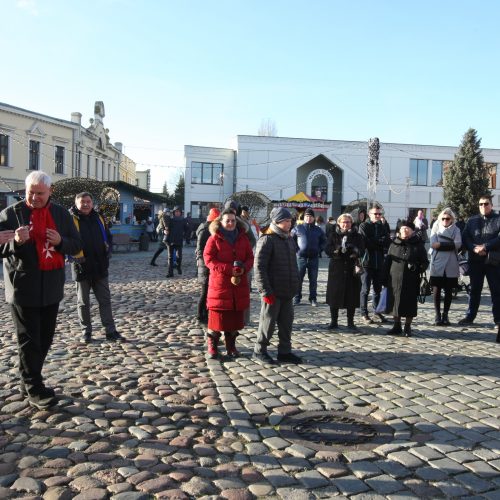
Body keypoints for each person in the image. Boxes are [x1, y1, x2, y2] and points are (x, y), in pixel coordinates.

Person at [0, 171, 81, 409]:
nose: (34, 198)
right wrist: (16, 242)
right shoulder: (10, 214)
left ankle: (29, 374)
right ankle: (33, 386)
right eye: (30, 193)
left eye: (39, 193)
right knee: (29, 340)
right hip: (23, 286)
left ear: (50, 192)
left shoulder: (61, 215)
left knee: (45, 338)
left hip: (52, 286)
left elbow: (76, 245)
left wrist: (61, 243)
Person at [69, 192, 124, 343]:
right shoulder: (70, 219)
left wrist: (108, 251)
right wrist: (71, 256)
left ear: (92, 203)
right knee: (83, 303)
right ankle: (86, 332)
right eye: (82, 202)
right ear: (76, 203)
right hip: (81, 266)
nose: (86, 204)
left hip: (100, 267)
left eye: (88, 201)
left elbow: (108, 237)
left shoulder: (99, 218)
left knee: (105, 300)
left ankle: (110, 331)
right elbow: (66, 241)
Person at [253, 207, 302, 365]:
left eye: (290, 221)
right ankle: (260, 350)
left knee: (286, 324)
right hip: (272, 291)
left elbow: (292, 264)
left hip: (287, 290)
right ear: (277, 221)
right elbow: (259, 268)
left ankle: (285, 352)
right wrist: (265, 291)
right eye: (286, 221)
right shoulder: (267, 239)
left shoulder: (288, 238)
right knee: (267, 323)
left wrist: (295, 284)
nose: (289, 224)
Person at [203, 209, 253, 358]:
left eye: (233, 220)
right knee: (217, 319)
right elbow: (208, 259)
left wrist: (243, 268)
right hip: (220, 285)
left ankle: (231, 346)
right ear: (221, 222)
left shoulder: (243, 238)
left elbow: (250, 257)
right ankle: (213, 346)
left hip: (239, 284)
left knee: (234, 319)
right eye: (227, 221)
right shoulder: (214, 239)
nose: (230, 223)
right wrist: (228, 269)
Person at [459, 195, 500, 343]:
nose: (483, 206)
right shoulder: (472, 220)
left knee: (496, 291)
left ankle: (498, 319)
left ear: (491, 204)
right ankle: (470, 316)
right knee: (474, 289)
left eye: (486, 204)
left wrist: (486, 247)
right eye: (481, 204)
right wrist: (474, 248)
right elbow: (466, 238)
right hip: (475, 260)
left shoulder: (498, 218)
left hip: (493, 261)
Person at [383, 220, 429, 337]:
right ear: (399, 230)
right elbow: (387, 262)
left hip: (411, 279)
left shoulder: (418, 245)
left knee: (409, 304)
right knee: (395, 303)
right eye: (403, 228)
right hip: (394, 279)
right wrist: (383, 278)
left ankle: (407, 327)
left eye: (407, 228)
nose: (405, 230)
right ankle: (396, 325)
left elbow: (425, 262)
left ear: (412, 230)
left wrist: (417, 266)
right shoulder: (394, 244)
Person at [325, 213, 365, 331]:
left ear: (351, 223)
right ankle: (334, 321)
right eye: (343, 222)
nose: (345, 224)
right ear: (339, 223)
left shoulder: (357, 236)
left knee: (351, 295)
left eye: (348, 222)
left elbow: (362, 250)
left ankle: (350, 322)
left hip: (351, 268)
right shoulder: (333, 235)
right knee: (334, 295)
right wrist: (337, 250)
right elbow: (327, 249)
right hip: (336, 268)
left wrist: (354, 249)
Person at [429, 208, 462, 326]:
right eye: (443, 218)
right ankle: (437, 315)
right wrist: (450, 245)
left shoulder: (456, 229)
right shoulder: (436, 227)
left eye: (447, 218)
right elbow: (433, 243)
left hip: (451, 263)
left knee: (448, 291)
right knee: (436, 290)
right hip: (437, 262)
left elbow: (458, 244)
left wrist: (441, 244)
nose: (445, 220)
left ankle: (445, 315)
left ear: (452, 219)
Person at [358, 206, 391, 324]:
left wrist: (376, 241)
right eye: (375, 214)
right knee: (365, 289)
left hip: (379, 262)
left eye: (379, 214)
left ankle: (377, 311)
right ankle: (364, 313)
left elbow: (387, 241)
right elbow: (365, 242)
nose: (378, 216)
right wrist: (378, 241)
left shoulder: (382, 226)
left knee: (377, 289)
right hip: (367, 262)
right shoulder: (364, 226)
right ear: (369, 214)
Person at [291, 208, 326, 307]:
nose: (308, 218)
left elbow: (324, 241)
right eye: (307, 216)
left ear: (313, 218)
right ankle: (297, 298)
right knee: (298, 279)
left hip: (313, 258)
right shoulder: (298, 228)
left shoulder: (318, 230)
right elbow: (291, 240)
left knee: (313, 280)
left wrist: (319, 250)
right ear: (304, 217)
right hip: (300, 258)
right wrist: (297, 250)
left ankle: (313, 298)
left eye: (310, 216)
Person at [195, 207, 220, 324]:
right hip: (204, 265)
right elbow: (200, 249)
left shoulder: (206, 227)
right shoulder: (206, 229)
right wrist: (206, 263)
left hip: (206, 264)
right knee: (204, 292)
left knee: (207, 291)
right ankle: (200, 315)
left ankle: (204, 313)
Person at [165, 206, 190, 277]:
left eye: (178, 211)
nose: (177, 213)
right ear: (174, 212)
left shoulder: (183, 220)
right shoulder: (170, 219)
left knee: (179, 256)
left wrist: (185, 236)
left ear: (181, 213)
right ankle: (170, 272)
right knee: (170, 257)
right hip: (170, 240)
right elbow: (165, 227)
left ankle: (178, 267)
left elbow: (187, 229)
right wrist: (164, 230)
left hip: (179, 240)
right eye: (176, 211)